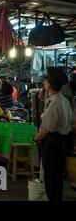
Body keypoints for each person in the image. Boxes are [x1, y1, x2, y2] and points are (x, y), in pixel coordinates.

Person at [34, 67, 73, 202]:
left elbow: (46, 129)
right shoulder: (64, 101)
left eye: (46, 79)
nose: (44, 82)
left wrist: (35, 138)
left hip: (52, 143)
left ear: (49, 84)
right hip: (61, 142)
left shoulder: (54, 103)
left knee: (51, 179)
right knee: (57, 179)